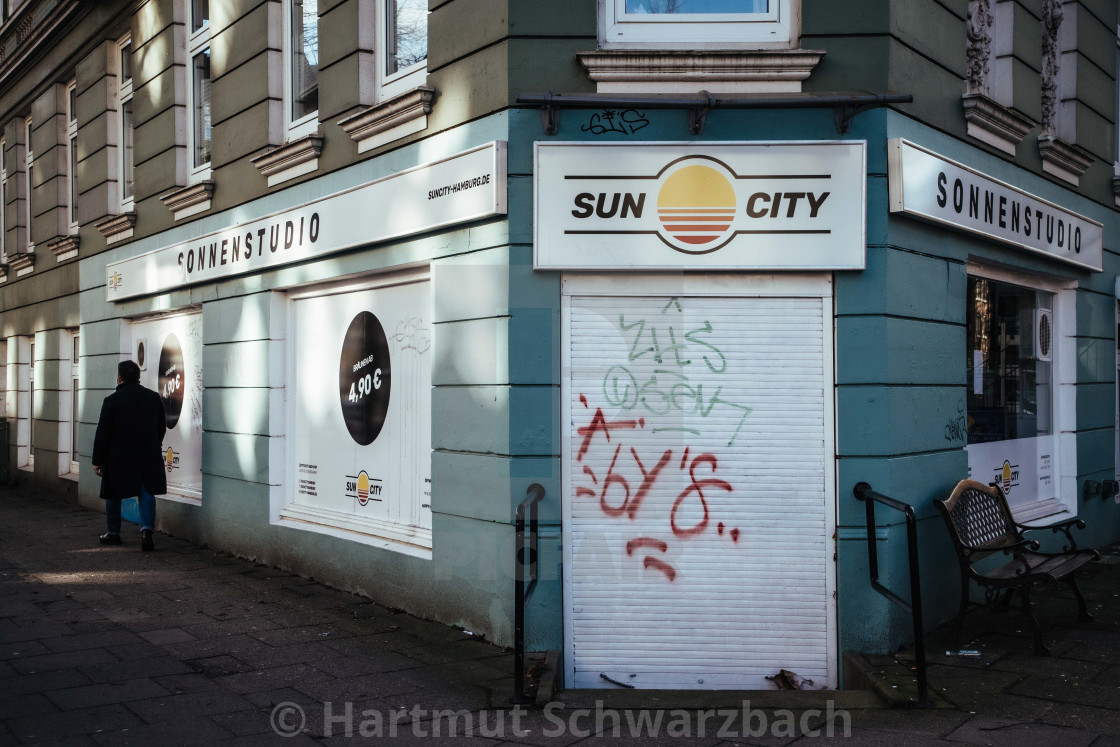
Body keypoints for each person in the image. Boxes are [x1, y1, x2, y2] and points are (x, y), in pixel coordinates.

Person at [92, 360, 167, 551]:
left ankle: (113, 533)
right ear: (138, 377)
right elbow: (161, 426)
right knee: (147, 491)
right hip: (147, 454)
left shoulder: (111, 401)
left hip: (119, 456)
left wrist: (97, 460)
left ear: (119, 378)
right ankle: (147, 533)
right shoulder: (153, 398)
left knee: (113, 493)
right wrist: (155, 443)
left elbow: (103, 433)